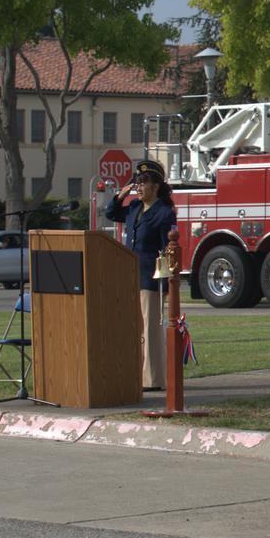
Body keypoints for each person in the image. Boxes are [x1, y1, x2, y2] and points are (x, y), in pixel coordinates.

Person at [103, 159, 178, 391]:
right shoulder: (134, 208)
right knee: (133, 328)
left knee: (150, 328)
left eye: (143, 182)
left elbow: (168, 248)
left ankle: (153, 379)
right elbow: (111, 213)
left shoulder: (164, 213)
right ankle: (135, 373)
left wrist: (165, 280)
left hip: (150, 278)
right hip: (129, 276)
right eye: (137, 182)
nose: (139, 186)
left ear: (156, 186)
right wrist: (120, 194)